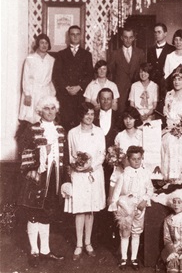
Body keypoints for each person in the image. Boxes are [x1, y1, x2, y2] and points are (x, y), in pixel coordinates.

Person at [17, 96, 65, 268]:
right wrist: (42, 153)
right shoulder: (32, 130)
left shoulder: (60, 130)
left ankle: (45, 250)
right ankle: (34, 251)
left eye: (53, 108)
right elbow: (25, 152)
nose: (50, 112)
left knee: (47, 213)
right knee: (34, 214)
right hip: (37, 179)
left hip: (54, 179)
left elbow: (63, 157)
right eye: (47, 108)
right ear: (40, 111)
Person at [63, 102, 106, 260]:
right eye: (87, 114)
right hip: (78, 175)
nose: (89, 117)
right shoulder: (72, 133)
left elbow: (102, 154)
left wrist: (90, 167)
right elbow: (71, 155)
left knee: (90, 209)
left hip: (93, 174)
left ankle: (88, 243)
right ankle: (79, 244)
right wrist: (77, 167)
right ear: (80, 115)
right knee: (79, 209)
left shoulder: (99, 132)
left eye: (92, 114)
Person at [108, 146, 154, 271]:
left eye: (139, 159)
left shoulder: (145, 174)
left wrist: (145, 199)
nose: (137, 161)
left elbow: (150, 189)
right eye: (133, 159)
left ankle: (133, 258)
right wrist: (115, 207)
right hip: (125, 208)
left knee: (136, 232)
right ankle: (124, 258)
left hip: (139, 207)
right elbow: (116, 193)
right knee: (125, 233)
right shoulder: (123, 175)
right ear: (128, 159)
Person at [53, 25, 94, 131]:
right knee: (65, 123)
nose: (75, 37)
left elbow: (90, 75)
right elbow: (56, 75)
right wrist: (66, 87)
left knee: (79, 122)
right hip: (65, 96)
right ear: (68, 37)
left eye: (77, 34)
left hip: (80, 95)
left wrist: (79, 87)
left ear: (81, 36)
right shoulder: (61, 54)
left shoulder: (87, 55)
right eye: (72, 34)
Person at [93, 88, 120, 247]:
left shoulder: (118, 117)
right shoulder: (92, 116)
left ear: (113, 100)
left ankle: (113, 233)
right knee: (98, 196)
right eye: (102, 98)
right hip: (96, 164)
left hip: (113, 165)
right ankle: (98, 233)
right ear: (98, 100)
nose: (105, 102)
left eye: (109, 98)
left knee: (112, 196)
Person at [18, 34, 56, 125]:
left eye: (46, 43)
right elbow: (26, 77)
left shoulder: (51, 59)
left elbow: (50, 79)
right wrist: (27, 94)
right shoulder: (30, 58)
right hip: (32, 91)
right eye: (42, 43)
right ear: (37, 44)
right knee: (31, 117)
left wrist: (52, 93)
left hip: (45, 91)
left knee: (44, 116)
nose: (44, 45)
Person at [108, 107, 143, 203]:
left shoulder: (141, 135)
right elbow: (116, 158)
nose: (128, 121)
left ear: (135, 119)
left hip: (137, 172)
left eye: (131, 118)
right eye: (125, 118)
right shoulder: (120, 136)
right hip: (121, 172)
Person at [108, 27, 146, 113]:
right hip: (120, 91)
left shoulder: (140, 53)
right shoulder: (115, 54)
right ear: (121, 38)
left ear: (133, 38)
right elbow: (110, 74)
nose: (128, 40)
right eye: (125, 37)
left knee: (135, 115)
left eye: (130, 37)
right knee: (121, 116)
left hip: (137, 91)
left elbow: (144, 72)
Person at [147, 23, 175, 104]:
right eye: (155, 32)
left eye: (159, 32)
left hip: (167, 85)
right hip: (152, 84)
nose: (156, 34)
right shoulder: (150, 49)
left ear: (165, 33)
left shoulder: (172, 49)